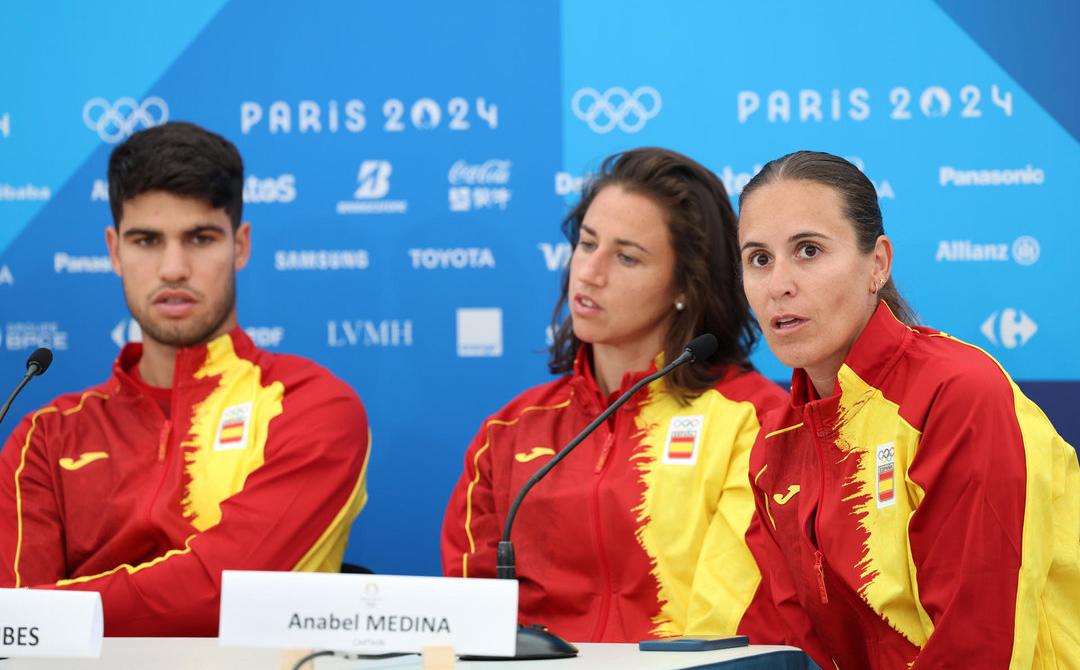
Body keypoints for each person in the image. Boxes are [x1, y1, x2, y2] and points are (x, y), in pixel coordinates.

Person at [0, 121, 371, 637]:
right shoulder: (46, 437)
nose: (173, 268)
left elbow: (225, 591)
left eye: (200, 238)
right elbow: (14, 630)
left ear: (240, 246)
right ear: (114, 251)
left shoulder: (310, 406)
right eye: (147, 240)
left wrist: (54, 613)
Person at [736, 150, 1080, 669]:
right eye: (759, 259)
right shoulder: (775, 447)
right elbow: (780, 643)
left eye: (808, 251)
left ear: (877, 263)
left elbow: (978, 643)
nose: (779, 284)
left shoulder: (958, 393)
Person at [441, 147, 788, 643]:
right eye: (586, 244)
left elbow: (727, 634)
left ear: (685, 285)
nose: (590, 273)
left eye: (626, 257)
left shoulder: (755, 421)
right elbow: (470, 622)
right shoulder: (510, 430)